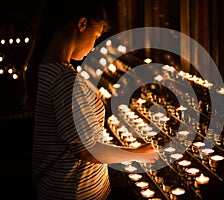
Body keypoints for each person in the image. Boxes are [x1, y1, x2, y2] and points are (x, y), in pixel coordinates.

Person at [23, 0, 159, 199]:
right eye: (96, 36)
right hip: (73, 192)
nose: (93, 46)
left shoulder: (47, 70)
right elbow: (86, 150)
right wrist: (138, 152)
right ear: (82, 24)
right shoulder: (64, 80)